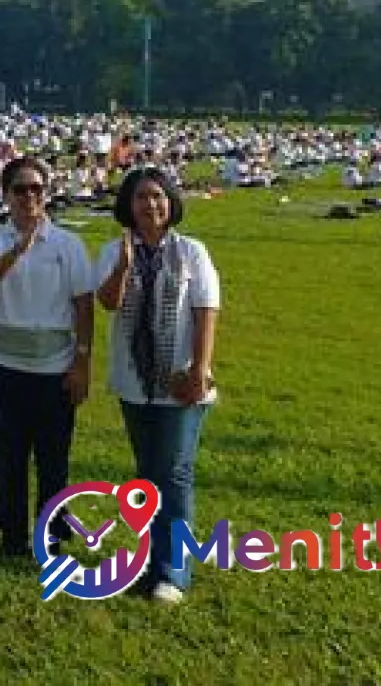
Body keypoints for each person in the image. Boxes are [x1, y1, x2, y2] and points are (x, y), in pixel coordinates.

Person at [94, 167, 221, 604]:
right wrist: (124, 269)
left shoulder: (191, 252)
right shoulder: (114, 250)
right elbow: (107, 302)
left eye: (159, 197)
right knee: (149, 475)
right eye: (142, 198)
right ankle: (151, 562)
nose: (151, 205)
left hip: (180, 379)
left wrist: (200, 370)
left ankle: (173, 571)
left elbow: (206, 310)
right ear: (128, 206)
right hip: (134, 382)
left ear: (171, 203)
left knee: (175, 474)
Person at [0, 156, 95, 559]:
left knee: (52, 455)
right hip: (4, 364)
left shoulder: (67, 245)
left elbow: (83, 305)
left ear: (47, 194)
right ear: (6, 195)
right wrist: (16, 251)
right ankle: (11, 530)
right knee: (10, 452)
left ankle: (52, 532)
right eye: (20, 190)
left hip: (54, 364)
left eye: (36, 189)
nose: (29, 197)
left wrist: (82, 360)